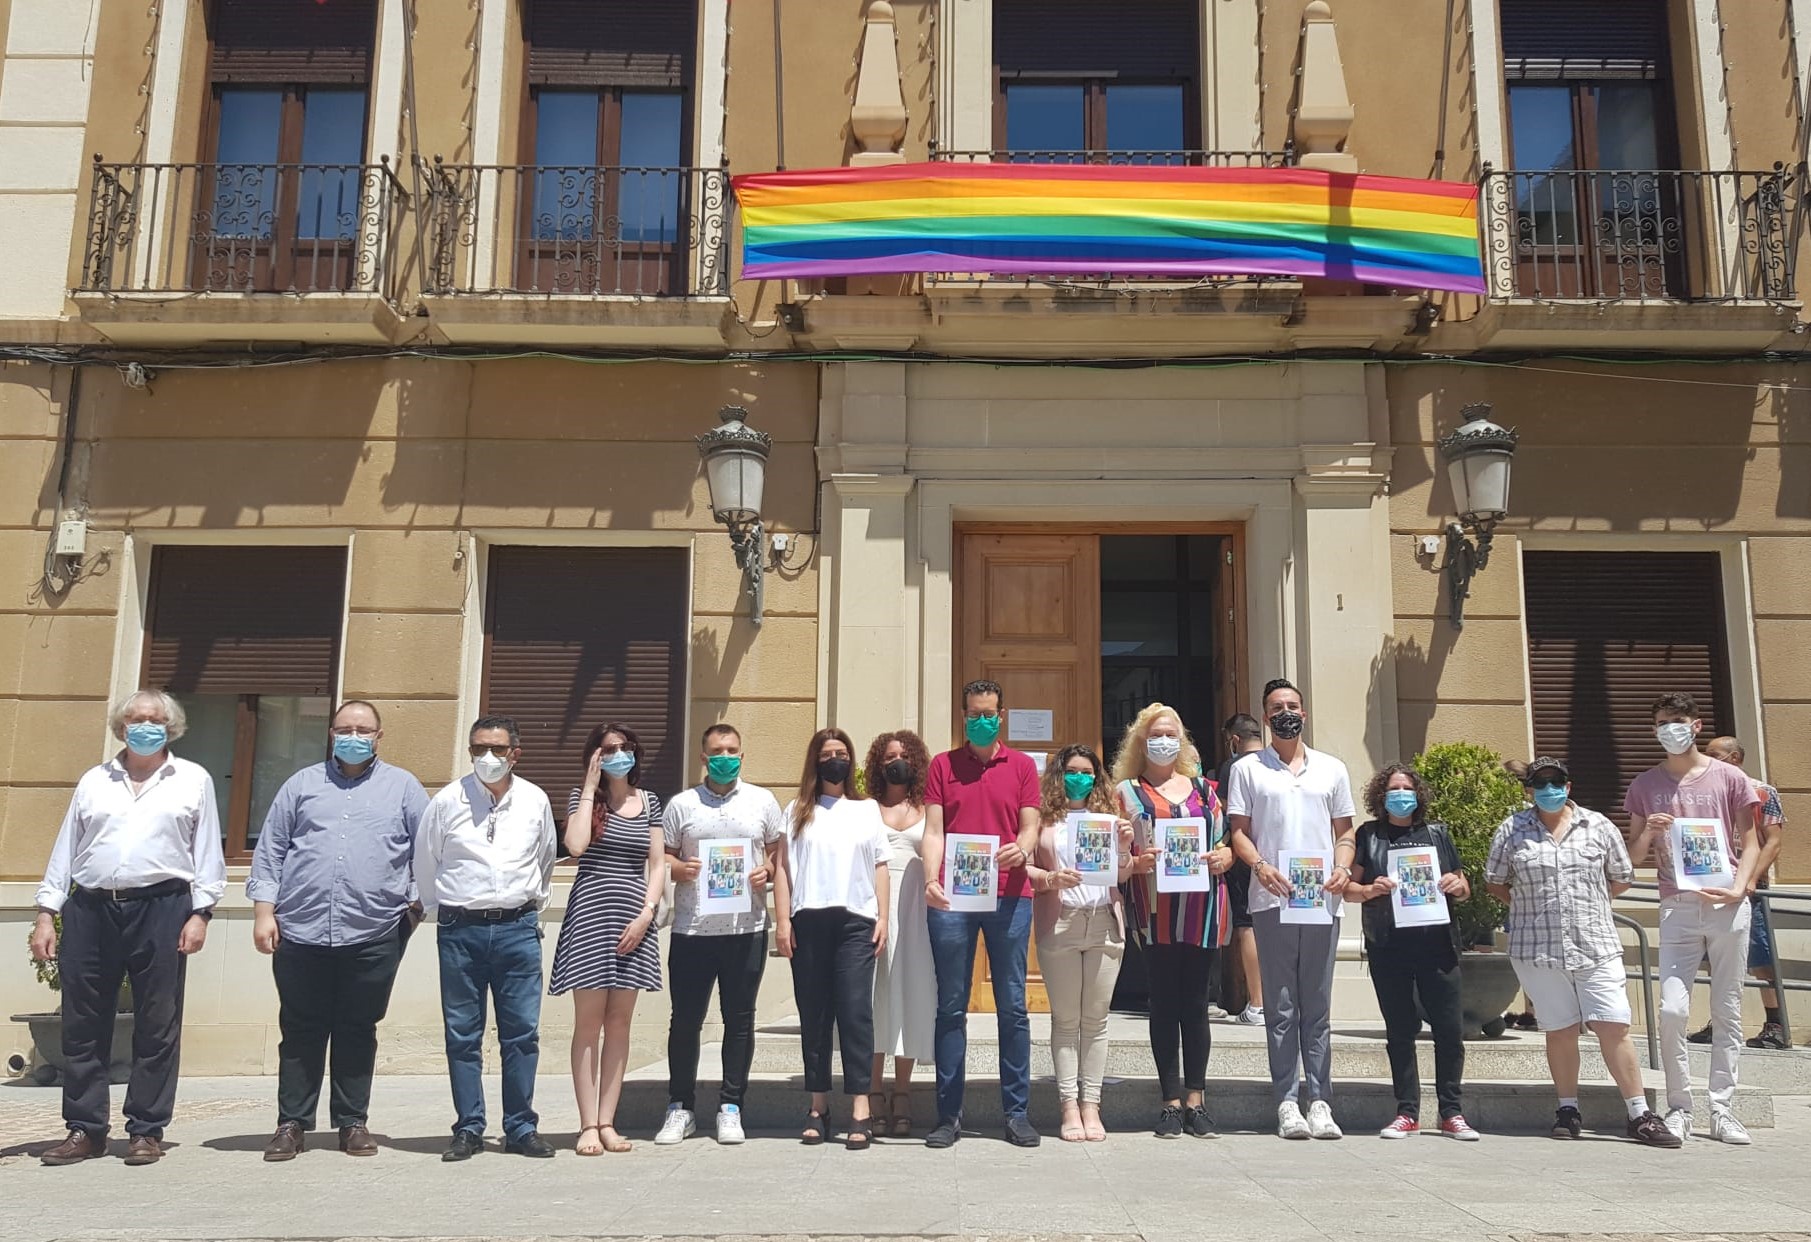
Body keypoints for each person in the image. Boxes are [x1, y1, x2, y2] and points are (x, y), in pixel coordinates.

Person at [30, 690, 227, 1167]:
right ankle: (85, 1128)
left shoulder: (193, 779)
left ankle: (146, 1129)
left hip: (162, 906)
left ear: (171, 727)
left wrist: (201, 913)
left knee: (157, 1022)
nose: (145, 726)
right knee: (82, 1022)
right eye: (136, 719)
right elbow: (67, 849)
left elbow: (206, 853)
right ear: (120, 727)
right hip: (91, 909)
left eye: (155, 719)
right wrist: (45, 912)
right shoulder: (95, 781)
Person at [249, 700, 428, 1162]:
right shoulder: (301, 785)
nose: (353, 736)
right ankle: (291, 1124)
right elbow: (270, 850)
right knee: (300, 1028)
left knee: (357, 1027)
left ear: (378, 736)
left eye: (363, 729)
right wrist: (264, 913)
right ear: (330, 733)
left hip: (375, 931)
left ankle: (353, 1123)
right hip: (300, 929)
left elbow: (428, 853)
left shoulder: (403, 787)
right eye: (344, 728)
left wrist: (413, 909)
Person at [1485, 756, 1678, 1148]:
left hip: (1595, 944)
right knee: (1560, 1030)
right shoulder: (1511, 829)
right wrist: (1531, 907)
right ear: (1529, 790)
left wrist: (1587, 903)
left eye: (1556, 783)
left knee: (1613, 1026)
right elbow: (1494, 881)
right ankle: (1568, 1109)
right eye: (1541, 784)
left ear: (1568, 787)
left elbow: (1621, 877)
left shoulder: (1598, 826)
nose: (1549, 790)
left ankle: (1639, 1113)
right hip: (1537, 947)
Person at [415, 715, 558, 1161]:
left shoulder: (535, 799)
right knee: (462, 1035)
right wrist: (445, 914)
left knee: (522, 1034)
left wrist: (529, 906)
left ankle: (520, 1127)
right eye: (479, 749)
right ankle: (469, 1128)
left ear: (516, 752)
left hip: (517, 929)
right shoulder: (446, 801)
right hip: (461, 931)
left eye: (497, 749)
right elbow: (426, 862)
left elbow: (546, 857)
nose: (488, 758)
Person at [1623, 693, 1762, 1145]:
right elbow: (1633, 856)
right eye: (1663, 722)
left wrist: (1741, 888)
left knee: (1727, 1009)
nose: (1671, 729)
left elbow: (1750, 839)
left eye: (1678, 721)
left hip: (1726, 903)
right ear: (1654, 730)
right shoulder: (1645, 784)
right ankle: (1679, 1106)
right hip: (1677, 904)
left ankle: (1722, 1108)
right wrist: (1650, 831)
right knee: (1672, 1009)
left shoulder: (1730, 776)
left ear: (1696, 725)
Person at [1225, 678, 1355, 1141]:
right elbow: (1238, 831)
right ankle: (1286, 1099)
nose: (1287, 713)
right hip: (1272, 897)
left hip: (1321, 898)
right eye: (1277, 707)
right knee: (1280, 1005)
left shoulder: (1332, 769)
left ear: (1304, 712)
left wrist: (1343, 868)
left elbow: (1345, 832)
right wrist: (1258, 866)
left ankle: (1320, 1099)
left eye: (1293, 706)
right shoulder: (1247, 769)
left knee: (1316, 1003)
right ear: (1265, 716)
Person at [919, 678, 1042, 1148]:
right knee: (951, 1006)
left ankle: (1016, 1113)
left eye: (989, 712)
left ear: (1002, 714)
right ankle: (947, 1116)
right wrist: (932, 878)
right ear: (963, 717)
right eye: (974, 713)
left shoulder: (1023, 767)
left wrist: (1022, 849)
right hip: (954, 898)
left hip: (1011, 896)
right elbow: (934, 830)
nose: (982, 720)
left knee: (1013, 1006)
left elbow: (1031, 824)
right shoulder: (942, 765)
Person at [656, 722, 783, 1146]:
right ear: (703, 757)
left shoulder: (763, 801)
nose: (725, 756)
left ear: (742, 755)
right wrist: (678, 869)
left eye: (732, 749)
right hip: (692, 929)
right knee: (686, 1020)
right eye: (717, 750)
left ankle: (731, 1105)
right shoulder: (681, 805)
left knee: (740, 1019)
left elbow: (778, 853)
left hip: (745, 927)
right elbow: (663, 859)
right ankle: (680, 1106)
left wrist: (767, 870)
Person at [1113, 704, 1232, 1138]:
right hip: (1156, 911)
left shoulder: (1206, 789)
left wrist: (1225, 856)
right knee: (1163, 1002)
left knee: (1196, 1003)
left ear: (1182, 740)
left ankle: (1197, 1099)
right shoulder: (1125, 792)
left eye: (1172, 733)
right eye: (1156, 734)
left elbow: (1225, 844)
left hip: (1202, 909)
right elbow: (1115, 850)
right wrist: (1135, 860)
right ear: (1141, 741)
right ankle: (1169, 1100)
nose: (1164, 740)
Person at [549, 722, 664, 1155]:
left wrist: (647, 913)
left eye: (624, 747)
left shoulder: (650, 801)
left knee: (619, 1024)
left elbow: (656, 865)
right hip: (590, 917)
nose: (618, 753)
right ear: (595, 754)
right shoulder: (585, 801)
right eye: (608, 748)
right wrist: (589, 785)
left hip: (633, 918)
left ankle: (608, 1121)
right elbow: (575, 847)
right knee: (588, 1024)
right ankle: (586, 1125)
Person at [774, 728, 890, 1150]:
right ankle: (818, 1105)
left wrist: (884, 917)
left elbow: (880, 864)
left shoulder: (867, 810)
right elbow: (783, 870)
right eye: (827, 754)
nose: (835, 759)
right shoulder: (797, 810)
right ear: (815, 761)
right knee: (816, 1015)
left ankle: (860, 1105)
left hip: (857, 920)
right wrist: (782, 921)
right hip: (808, 920)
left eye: (842, 752)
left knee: (857, 1013)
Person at [1349, 763, 1478, 1140]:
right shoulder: (1369, 835)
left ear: (1417, 795)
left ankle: (1451, 1112)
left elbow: (1464, 885)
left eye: (1407, 788)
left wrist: (1456, 885)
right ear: (1381, 796)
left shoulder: (1436, 833)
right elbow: (1349, 889)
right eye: (1393, 789)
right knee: (1400, 1030)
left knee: (1449, 1031)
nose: (1401, 794)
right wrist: (1371, 890)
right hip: (1389, 946)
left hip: (1437, 945)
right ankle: (1407, 1112)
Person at [1033, 743, 1131, 1142]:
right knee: (1066, 1020)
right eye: (1072, 770)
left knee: (1096, 1020)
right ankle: (1068, 1106)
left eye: (1087, 771)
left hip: (1104, 922)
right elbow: (1026, 867)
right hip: (1062, 922)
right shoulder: (1043, 820)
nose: (1080, 777)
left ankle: (1092, 1106)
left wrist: (1124, 847)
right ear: (1059, 774)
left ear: (1097, 777)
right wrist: (1050, 879)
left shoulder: (1108, 817)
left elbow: (1123, 875)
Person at [864, 729, 936, 1136]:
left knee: (909, 994)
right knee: (877, 997)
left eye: (905, 755)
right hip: (875, 908)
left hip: (916, 912)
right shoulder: (865, 809)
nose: (898, 761)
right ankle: (874, 1089)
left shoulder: (929, 808)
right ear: (879, 763)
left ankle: (904, 1090)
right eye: (890, 755)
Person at [1695, 737, 1789, 1051]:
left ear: (1734, 758)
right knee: (1714, 956)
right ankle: (1720, 1022)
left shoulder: (1762, 791)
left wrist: (1749, 880)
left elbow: (1772, 842)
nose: (1707, 759)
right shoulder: (1703, 790)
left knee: (1759, 956)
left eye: (1714, 755)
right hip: (1713, 885)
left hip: (1749, 888)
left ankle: (1775, 1023)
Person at [1216, 714, 1267, 1025]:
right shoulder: (1276, 763)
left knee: (1246, 923)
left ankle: (1258, 1003)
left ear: (1233, 739)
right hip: (1275, 854)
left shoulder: (1234, 767)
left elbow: (1224, 810)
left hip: (1244, 852)